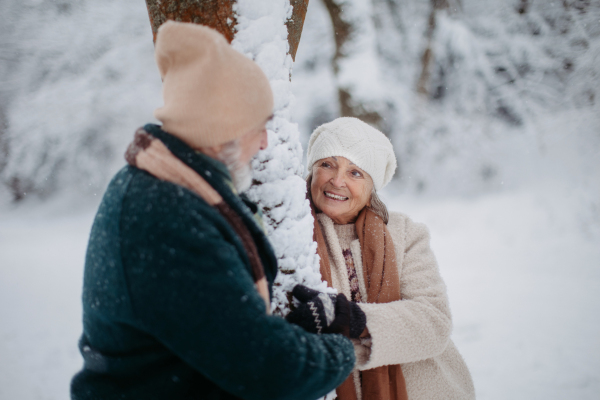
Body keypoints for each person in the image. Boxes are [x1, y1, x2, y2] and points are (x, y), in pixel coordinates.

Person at [70, 21, 363, 400]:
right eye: (258, 127)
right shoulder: (166, 215)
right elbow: (265, 368)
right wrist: (343, 347)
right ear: (222, 128)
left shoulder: (168, 188)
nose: (262, 143)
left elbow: (211, 329)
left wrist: (295, 332)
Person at [286, 117, 476, 400]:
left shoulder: (404, 233)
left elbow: (433, 320)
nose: (337, 181)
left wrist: (352, 318)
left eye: (355, 173)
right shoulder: (288, 233)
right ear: (312, 170)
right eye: (327, 164)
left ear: (371, 186)